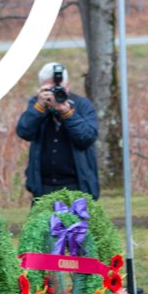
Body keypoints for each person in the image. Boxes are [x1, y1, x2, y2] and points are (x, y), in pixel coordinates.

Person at [16, 62, 100, 200]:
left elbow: (87, 137)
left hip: (77, 185)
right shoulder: (37, 105)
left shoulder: (82, 105)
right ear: (41, 88)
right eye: (50, 89)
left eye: (58, 88)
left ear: (68, 86)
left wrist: (67, 113)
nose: (55, 93)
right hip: (43, 187)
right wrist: (39, 108)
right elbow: (24, 132)